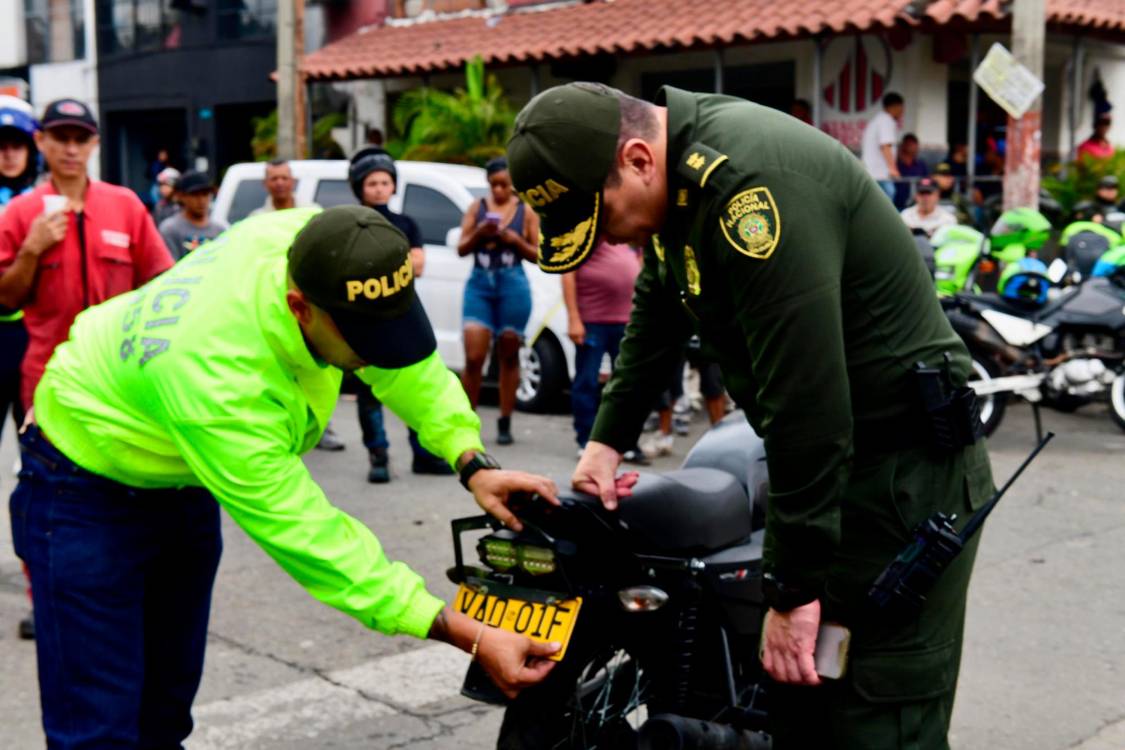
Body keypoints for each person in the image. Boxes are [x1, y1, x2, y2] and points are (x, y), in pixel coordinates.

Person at [508, 82, 994, 749]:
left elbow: (808, 407)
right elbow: (658, 301)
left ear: (639, 158)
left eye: (607, 212)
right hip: (829, 466)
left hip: (903, 482)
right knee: (797, 705)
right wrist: (606, 441)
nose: (613, 235)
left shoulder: (752, 191)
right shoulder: (678, 186)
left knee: (877, 717)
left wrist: (792, 595)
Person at [12, 206, 560, 746]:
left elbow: (404, 364)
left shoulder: (322, 243)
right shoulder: (218, 382)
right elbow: (306, 531)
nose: (378, 354)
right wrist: (461, 630)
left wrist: (471, 460)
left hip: (177, 474)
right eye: (364, 340)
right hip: (80, 485)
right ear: (299, 308)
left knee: (163, 716)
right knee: (99, 730)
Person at [0, 97, 173, 641]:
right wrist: (30, 251)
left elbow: (164, 288)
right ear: (43, 144)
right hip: (44, 380)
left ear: (94, 143)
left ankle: (118, 583)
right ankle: (43, 593)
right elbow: (4, 294)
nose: (71, 148)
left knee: (121, 484)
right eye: (60, 138)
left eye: (81, 137)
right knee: (47, 494)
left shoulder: (125, 206)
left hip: (118, 381)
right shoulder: (22, 213)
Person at [347, 146, 451, 481]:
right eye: (371, 183)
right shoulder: (351, 222)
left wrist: (377, 266)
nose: (379, 188)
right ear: (359, 187)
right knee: (368, 392)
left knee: (414, 388)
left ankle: (424, 454)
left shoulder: (406, 222)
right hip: (362, 318)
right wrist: (396, 262)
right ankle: (378, 456)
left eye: (384, 182)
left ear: (393, 185)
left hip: (402, 316)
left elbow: (418, 265)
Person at [457, 157, 539, 445]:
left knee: (508, 350)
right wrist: (481, 232)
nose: (500, 190)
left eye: (504, 184)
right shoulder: (476, 209)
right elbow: (461, 248)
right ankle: (468, 421)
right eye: (494, 185)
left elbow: (537, 253)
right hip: (480, 283)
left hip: (512, 283)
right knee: (474, 355)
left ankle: (505, 420)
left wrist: (514, 239)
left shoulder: (525, 211)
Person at [562, 238, 647, 459]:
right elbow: (568, 274)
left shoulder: (629, 233)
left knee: (628, 384)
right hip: (592, 321)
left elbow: (640, 263)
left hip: (626, 320)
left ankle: (626, 443)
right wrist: (573, 318)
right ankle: (587, 440)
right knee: (587, 381)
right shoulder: (587, 234)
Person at [158, 170, 227, 260]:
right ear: (181, 196)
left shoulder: (220, 230)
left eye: (205, 194)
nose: (201, 200)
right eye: (195, 195)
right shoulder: (170, 230)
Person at [861, 92, 903, 201]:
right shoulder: (886, 120)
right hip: (879, 174)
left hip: (872, 172)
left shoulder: (878, 120)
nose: (902, 111)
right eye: (901, 108)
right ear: (896, 106)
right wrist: (893, 169)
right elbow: (886, 146)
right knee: (888, 200)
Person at [249, 158, 315, 215]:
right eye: (274, 179)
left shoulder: (312, 212)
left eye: (284, 178)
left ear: (293, 181)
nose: (280, 183)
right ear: (265, 183)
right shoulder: (257, 218)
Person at [893, 132, 929, 210]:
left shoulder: (921, 165)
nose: (913, 147)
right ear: (903, 146)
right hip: (896, 205)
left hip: (916, 206)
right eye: (910, 144)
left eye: (915, 145)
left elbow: (927, 182)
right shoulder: (895, 165)